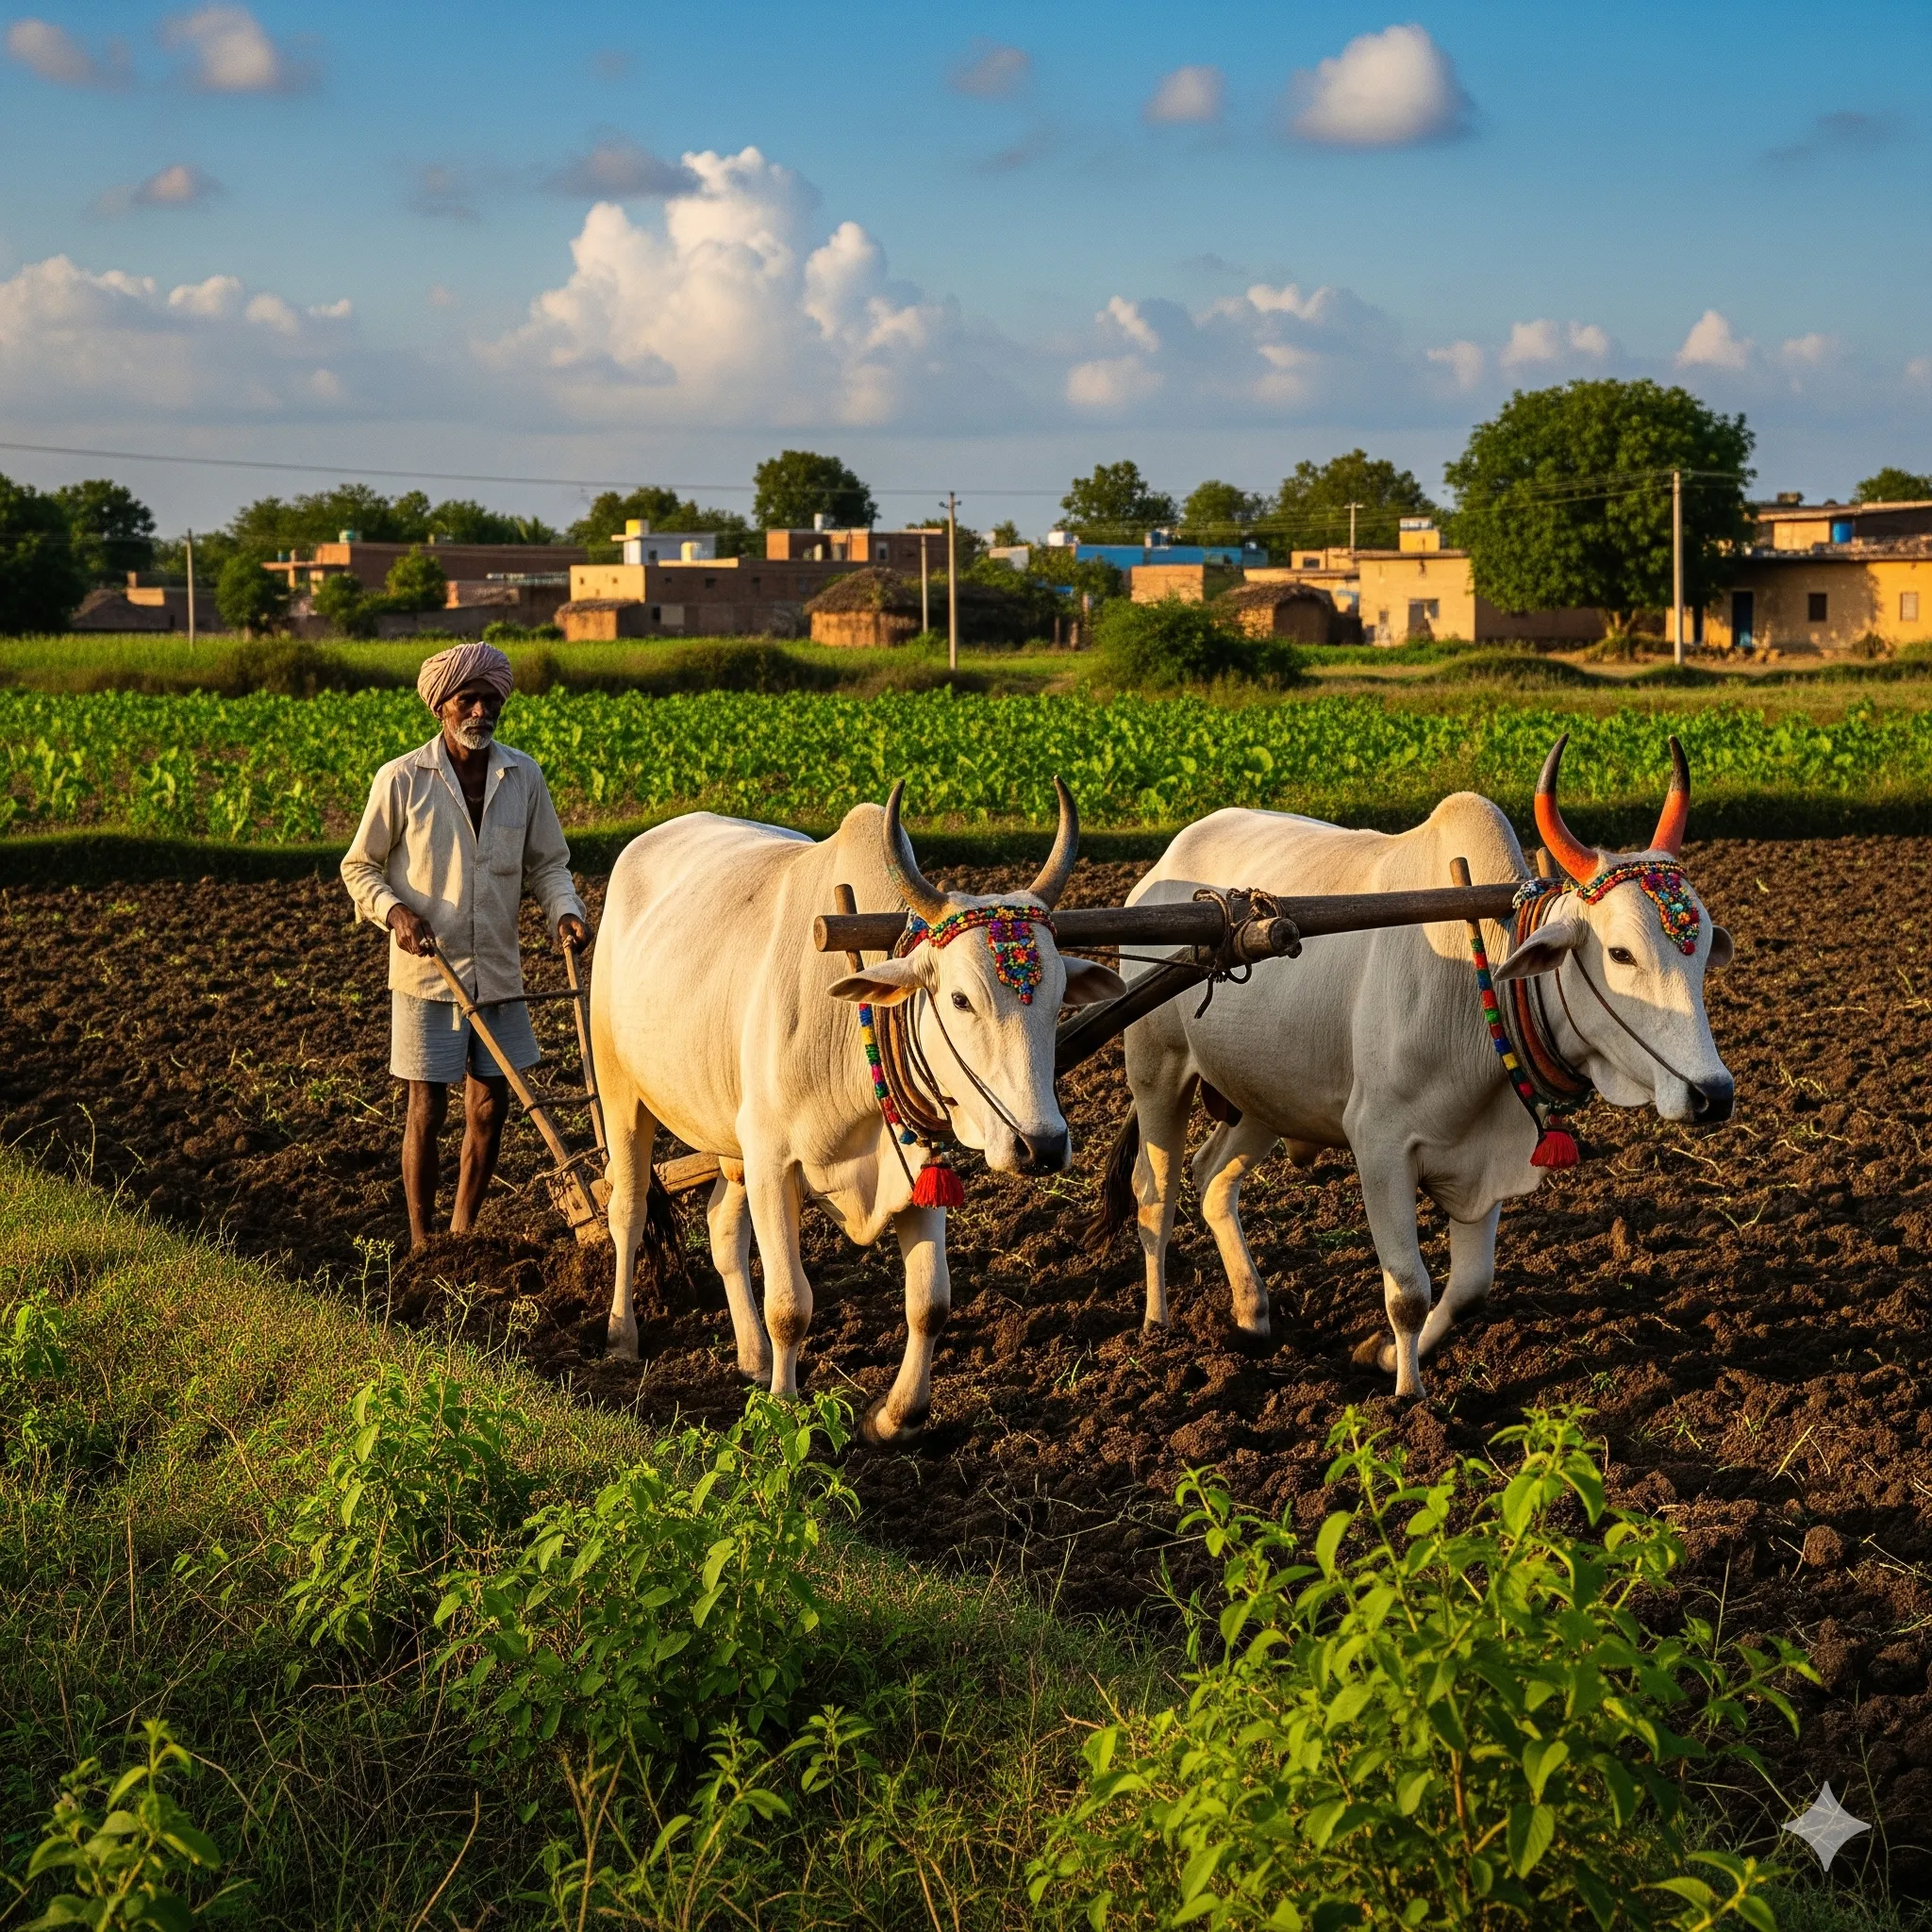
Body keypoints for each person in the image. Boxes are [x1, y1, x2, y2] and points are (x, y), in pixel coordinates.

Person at [341, 641, 588, 1250]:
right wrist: (396, 913)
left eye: (490, 699)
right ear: (441, 707)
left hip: (499, 970)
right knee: (427, 1109)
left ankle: (463, 1231)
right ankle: (423, 1239)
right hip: (428, 971)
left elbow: (548, 864)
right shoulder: (402, 779)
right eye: (467, 699)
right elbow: (359, 866)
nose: (480, 710)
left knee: (490, 1109)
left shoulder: (522, 775)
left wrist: (565, 912)